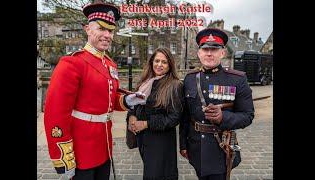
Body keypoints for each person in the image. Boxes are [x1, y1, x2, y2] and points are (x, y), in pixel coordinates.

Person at [43, 2, 145, 180]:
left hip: (104, 146)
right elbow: (56, 113)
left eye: (111, 31)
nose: (107, 35)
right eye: (101, 29)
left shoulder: (110, 64)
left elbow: (107, 99)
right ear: (87, 29)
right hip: (82, 150)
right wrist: (64, 157)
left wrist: (127, 101)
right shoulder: (72, 63)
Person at [179, 28, 255, 180]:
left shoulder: (237, 79)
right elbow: (185, 116)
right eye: (205, 49)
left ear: (223, 53)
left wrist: (223, 118)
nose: (209, 53)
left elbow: (248, 116)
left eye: (214, 49)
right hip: (195, 147)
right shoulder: (190, 79)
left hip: (220, 148)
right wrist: (183, 145)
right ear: (199, 53)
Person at [127, 48, 184, 180]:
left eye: (164, 62)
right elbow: (134, 104)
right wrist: (131, 116)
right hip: (143, 139)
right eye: (157, 61)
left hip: (161, 142)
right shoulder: (145, 81)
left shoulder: (175, 85)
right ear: (151, 62)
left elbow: (174, 118)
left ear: (170, 65)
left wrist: (146, 124)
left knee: (158, 175)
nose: (159, 65)